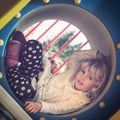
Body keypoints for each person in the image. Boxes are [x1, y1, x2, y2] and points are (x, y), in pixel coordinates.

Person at [5, 31, 110, 115]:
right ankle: (21, 50)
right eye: (83, 71)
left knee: (23, 90)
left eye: (90, 78)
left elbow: (59, 108)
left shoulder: (80, 99)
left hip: (34, 92)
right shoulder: (73, 74)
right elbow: (75, 56)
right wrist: (97, 54)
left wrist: (40, 106)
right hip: (38, 76)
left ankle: (12, 65)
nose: (83, 77)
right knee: (35, 45)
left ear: (96, 86)